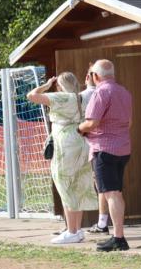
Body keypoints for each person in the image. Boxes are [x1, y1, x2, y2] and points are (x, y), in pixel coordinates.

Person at [27, 72, 98, 243]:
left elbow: (31, 96)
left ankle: (71, 231)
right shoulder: (84, 96)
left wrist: (46, 85)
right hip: (82, 141)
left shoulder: (62, 98)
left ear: (59, 86)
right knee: (78, 184)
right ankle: (77, 229)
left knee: (64, 184)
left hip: (66, 144)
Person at [78, 59, 133, 252]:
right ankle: (117, 235)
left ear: (95, 76)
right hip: (123, 148)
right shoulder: (124, 92)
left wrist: (79, 128)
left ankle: (118, 238)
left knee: (111, 194)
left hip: (104, 149)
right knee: (115, 192)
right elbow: (129, 122)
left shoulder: (101, 92)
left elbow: (92, 123)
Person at [81, 67, 110, 235]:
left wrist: (80, 129)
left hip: (92, 145)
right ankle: (102, 222)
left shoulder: (89, 95)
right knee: (107, 188)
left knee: (102, 186)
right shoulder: (109, 93)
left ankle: (101, 222)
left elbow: (90, 124)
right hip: (105, 145)